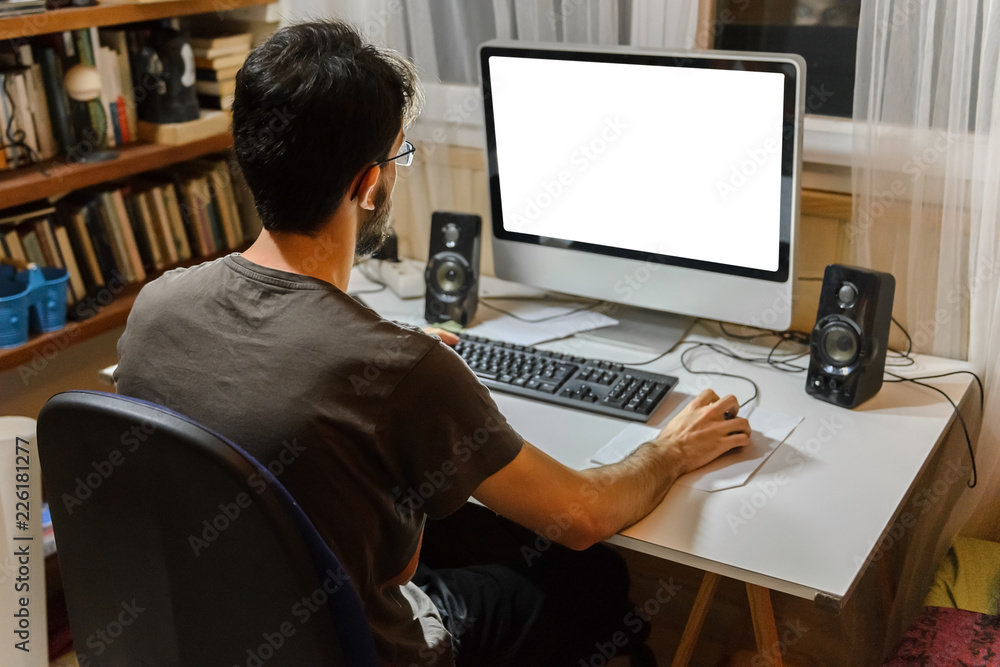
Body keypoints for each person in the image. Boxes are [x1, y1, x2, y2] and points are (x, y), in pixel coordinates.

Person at [114, 19, 751, 667]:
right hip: (378, 651)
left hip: (207, 638)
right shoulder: (403, 369)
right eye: (400, 154)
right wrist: (668, 450)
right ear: (368, 186)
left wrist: (385, 363)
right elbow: (583, 516)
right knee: (594, 576)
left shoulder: (156, 307)